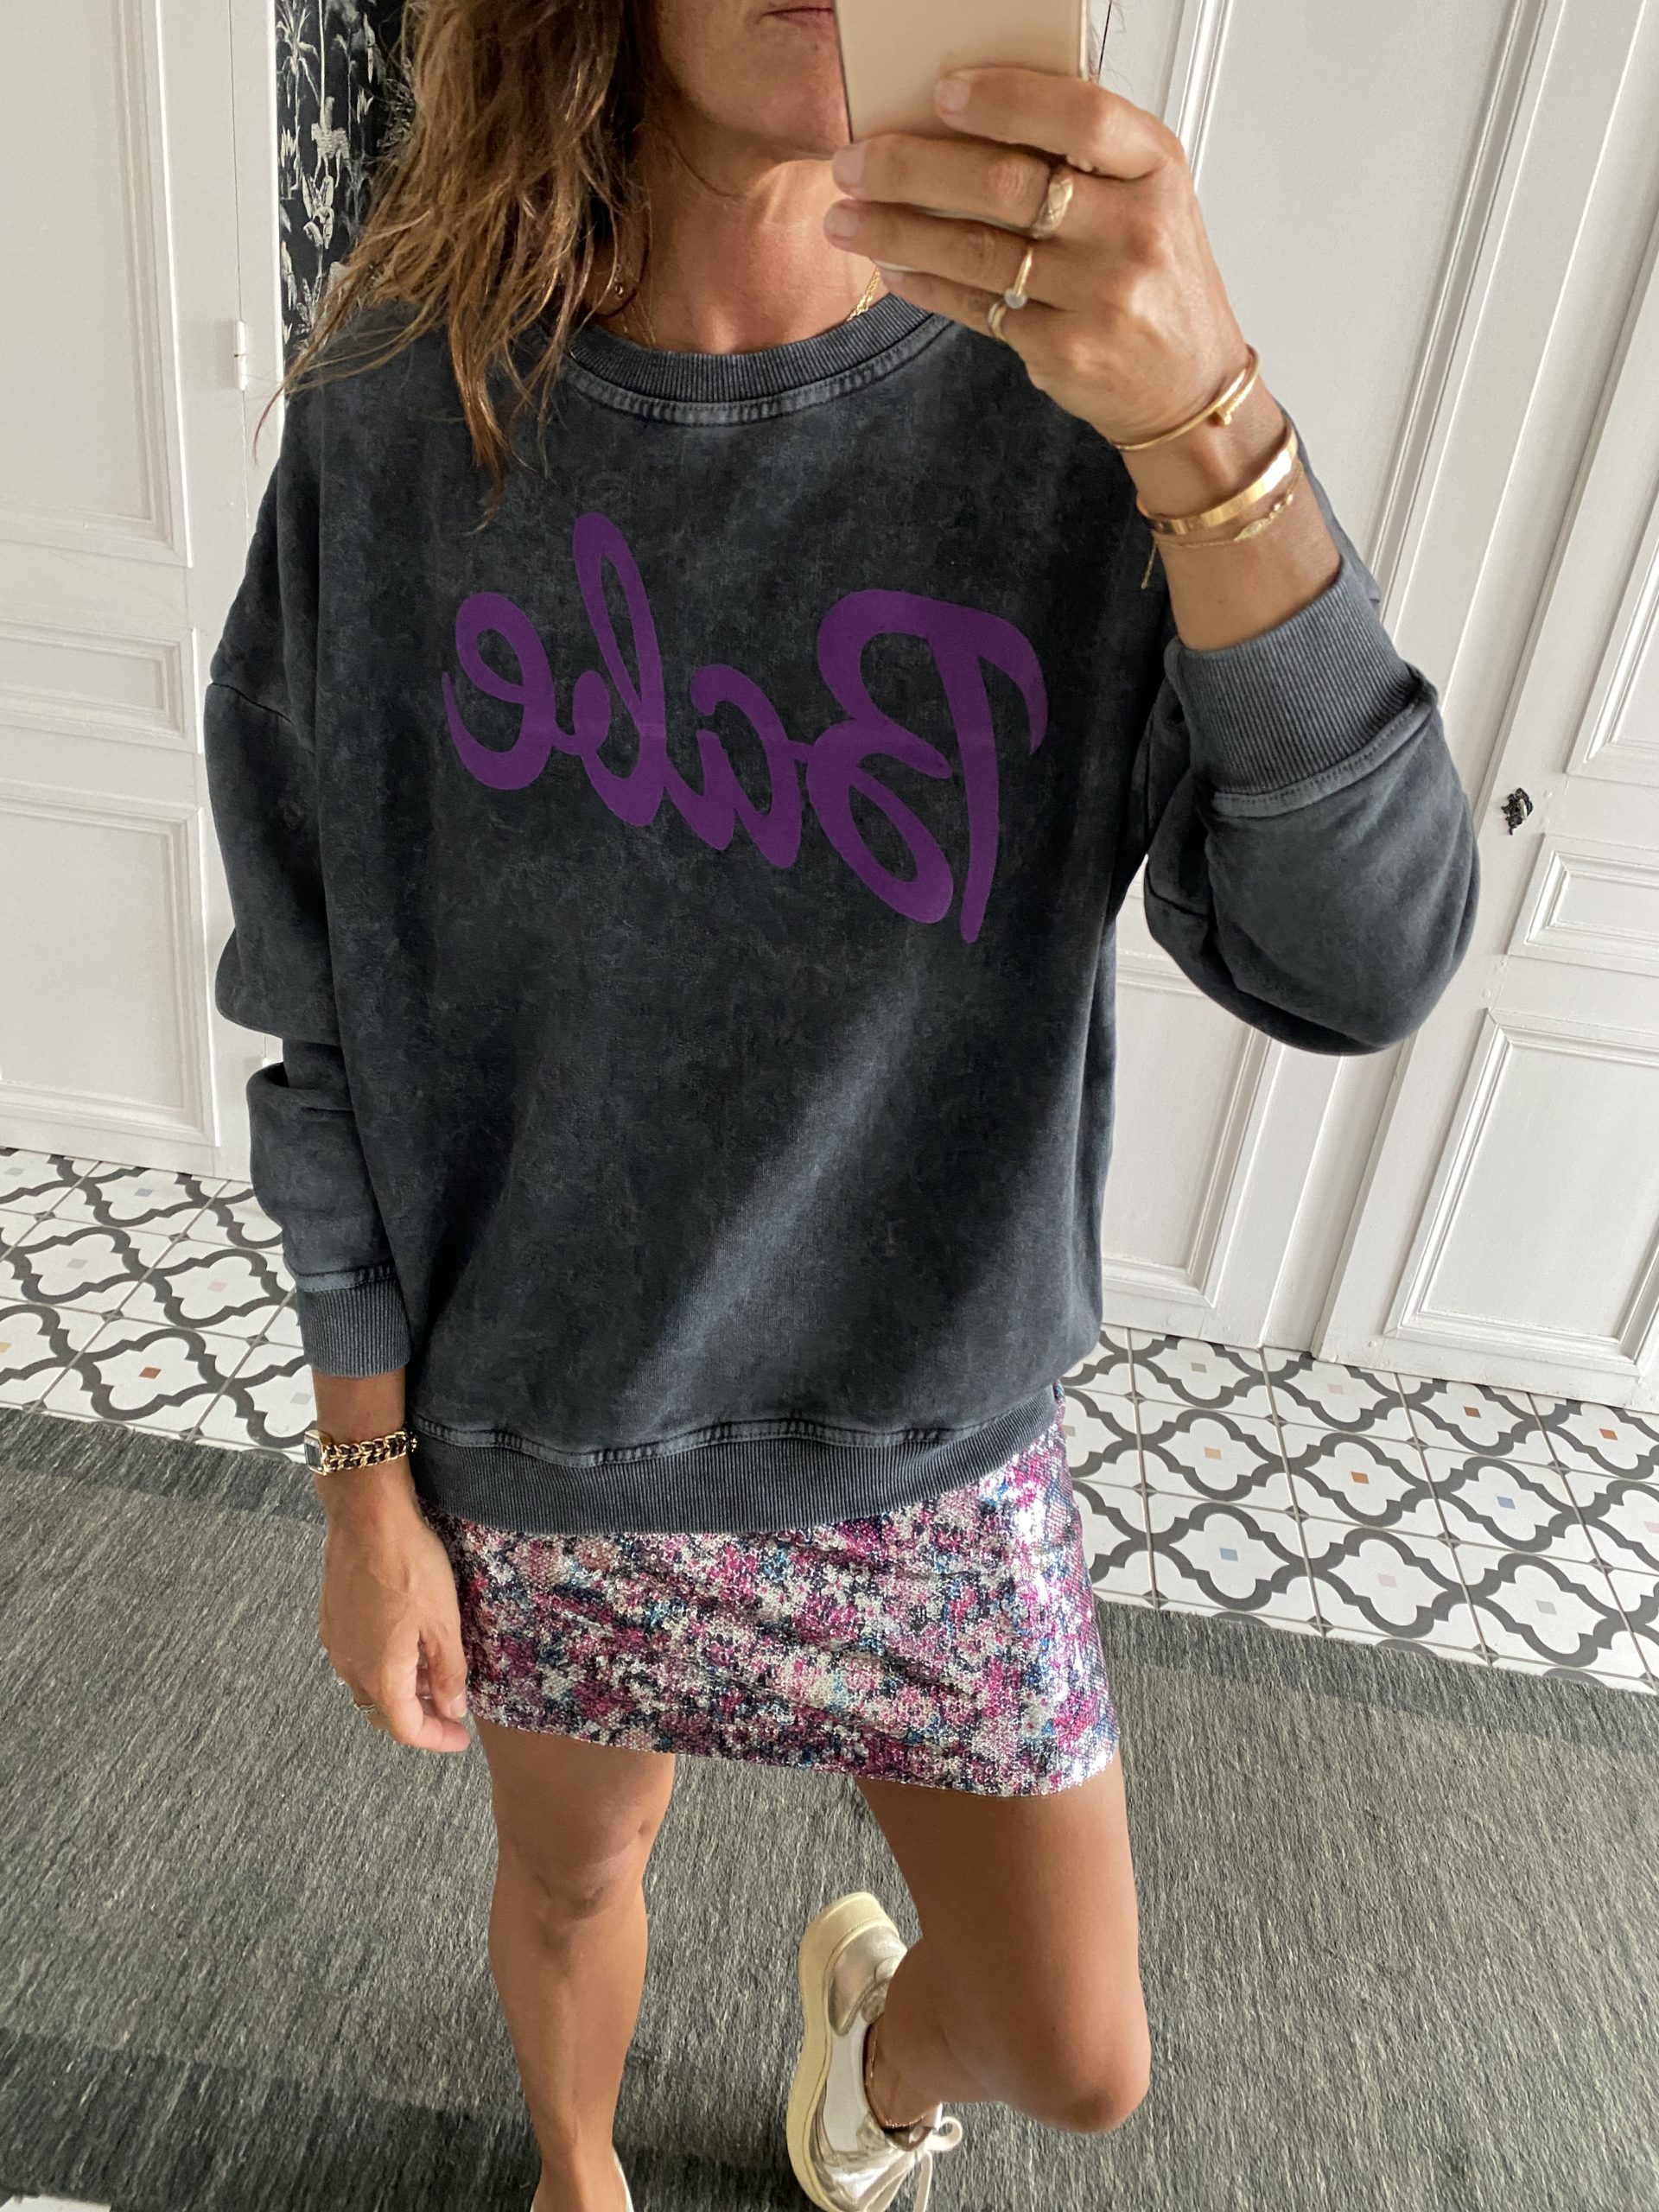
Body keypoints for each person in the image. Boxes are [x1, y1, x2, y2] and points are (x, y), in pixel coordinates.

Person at [202, 2, 1479, 2206]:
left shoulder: (1095, 412)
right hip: (550, 1439)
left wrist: (1211, 424)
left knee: (1079, 2052)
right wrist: (362, 1479)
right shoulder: (407, 403)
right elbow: (317, 991)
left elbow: (1357, 960)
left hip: (931, 1448)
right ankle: (578, 2168)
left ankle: (869, 2054)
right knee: (574, 1877)